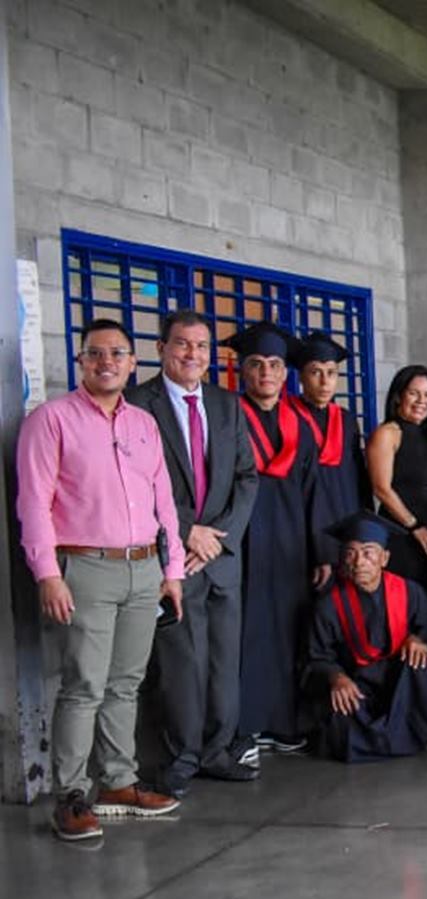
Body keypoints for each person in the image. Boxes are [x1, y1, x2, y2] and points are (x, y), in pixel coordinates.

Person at [18, 318, 185, 841]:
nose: (106, 362)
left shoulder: (144, 425)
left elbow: (164, 502)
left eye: (117, 353)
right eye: (95, 353)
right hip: (85, 567)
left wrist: (172, 570)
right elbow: (34, 504)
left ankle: (118, 783)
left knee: (125, 683)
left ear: (133, 363)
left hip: (144, 567)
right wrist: (48, 574)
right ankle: (71, 794)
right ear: (81, 362)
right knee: (84, 685)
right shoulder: (51, 421)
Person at [124, 309, 259, 798]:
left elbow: (247, 476)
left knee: (223, 660)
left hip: (221, 555)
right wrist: (189, 531)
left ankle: (217, 750)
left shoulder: (226, 405)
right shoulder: (137, 404)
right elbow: (136, 480)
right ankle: (181, 756)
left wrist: (220, 536)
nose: (192, 354)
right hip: (170, 554)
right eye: (182, 344)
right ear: (161, 348)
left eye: (201, 346)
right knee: (183, 662)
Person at [229, 321, 330, 760]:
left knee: (290, 631)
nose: (266, 373)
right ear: (242, 371)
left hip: (291, 544)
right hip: (242, 541)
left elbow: (315, 490)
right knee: (246, 635)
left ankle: (285, 723)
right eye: (256, 364)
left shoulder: (298, 423)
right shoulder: (229, 418)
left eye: (274, 364)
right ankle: (245, 728)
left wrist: (322, 551)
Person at [306, 514, 427, 763]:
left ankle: (388, 741)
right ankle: (407, 739)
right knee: (338, 711)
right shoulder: (328, 605)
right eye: (351, 553)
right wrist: (337, 677)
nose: (359, 562)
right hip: (359, 682)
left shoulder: (409, 591)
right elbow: (316, 656)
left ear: (384, 558)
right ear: (342, 559)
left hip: (401, 678)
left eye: (368, 553)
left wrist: (417, 639)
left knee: (420, 662)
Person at [367, 365, 427, 587]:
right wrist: (415, 527)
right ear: (398, 396)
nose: (421, 401)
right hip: (403, 532)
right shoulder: (388, 433)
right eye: (414, 393)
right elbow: (381, 489)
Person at [288, 333, 368, 522]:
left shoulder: (346, 419)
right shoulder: (287, 416)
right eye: (316, 372)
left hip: (345, 513)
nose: (325, 382)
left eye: (331, 373)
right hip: (303, 517)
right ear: (301, 377)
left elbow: (359, 475)